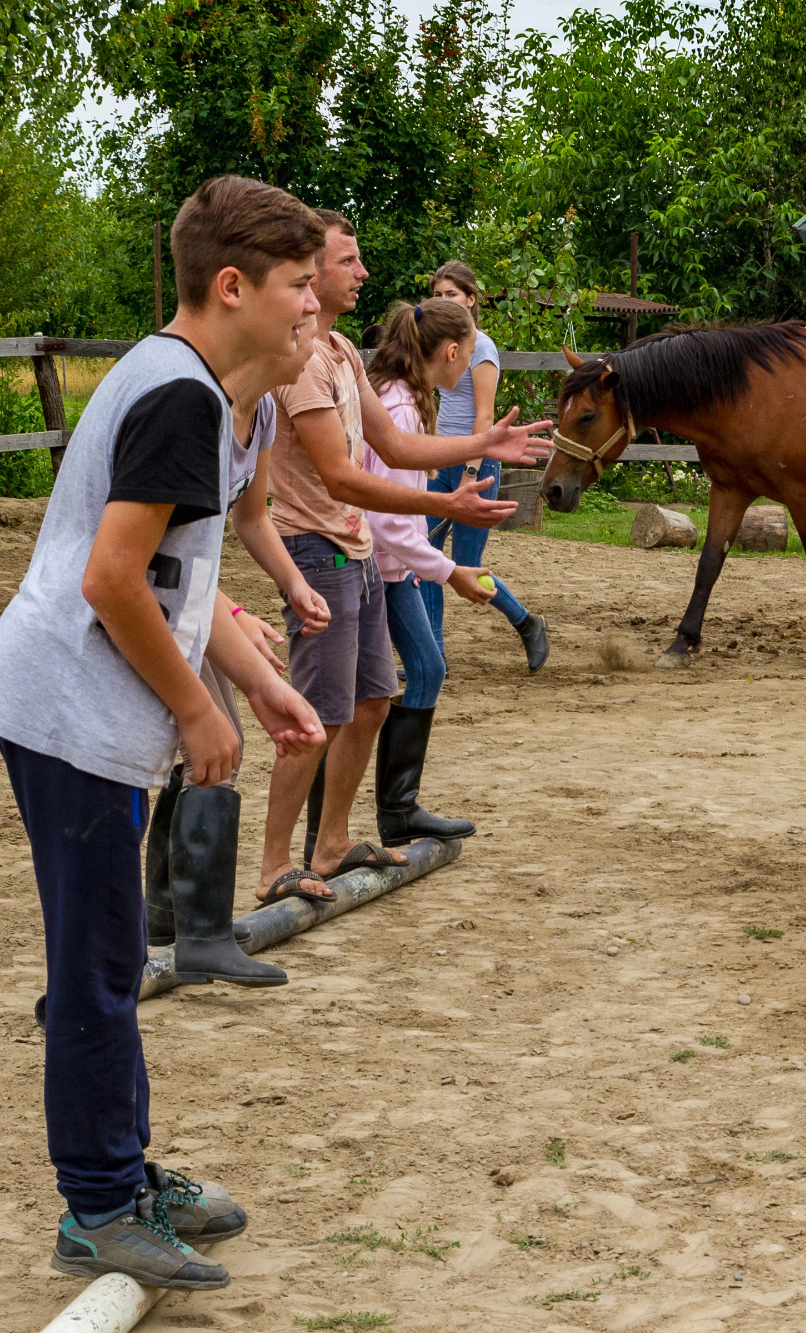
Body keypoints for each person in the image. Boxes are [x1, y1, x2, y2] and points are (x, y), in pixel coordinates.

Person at [0, 175, 330, 1290]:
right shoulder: (177, 396)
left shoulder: (224, 400)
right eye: (300, 286)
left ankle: (125, 1175)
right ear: (233, 287)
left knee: (115, 955)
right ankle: (94, 1204)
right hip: (69, 708)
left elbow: (175, 581)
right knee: (96, 964)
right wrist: (191, 705)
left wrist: (251, 682)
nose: (316, 307)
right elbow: (110, 575)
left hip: (94, 706)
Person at [260, 210, 549, 906]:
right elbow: (340, 476)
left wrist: (479, 448)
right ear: (310, 269)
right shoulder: (302, 360)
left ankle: (330, 843)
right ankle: (274, 865)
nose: (362, 273)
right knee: (319, 716)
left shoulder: (344, 353)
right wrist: (447, 511)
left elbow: (392, 446)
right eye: (347, 261)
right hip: (316, 545)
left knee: (372, 700)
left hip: (354, 547)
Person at [139, 304, 331, 988]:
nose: (314, 334)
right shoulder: (199, 409)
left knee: (213, 751)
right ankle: (185, 929)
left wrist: (284, 585)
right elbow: (148, 550)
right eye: (303, 316)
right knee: (199, 748)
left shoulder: (264, 418)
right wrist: (232, 608)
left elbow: (245, 519)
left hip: (188, 598)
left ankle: (178, 924)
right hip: (152, 600)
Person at [365, 298, 498, 846]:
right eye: (466, 356)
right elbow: (386, 519)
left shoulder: (408, 400)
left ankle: (399, 808)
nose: (467, 366)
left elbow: (404, 511)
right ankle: (393, 811)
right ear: (448, 352)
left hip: (393, 566)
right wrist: (448, 571)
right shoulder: (399, 407)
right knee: (398, 679)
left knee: (425, 667)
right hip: (378, 567)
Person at [422, 260, 549, 672]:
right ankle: (433, 650)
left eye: (452, 295)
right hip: (441, 463)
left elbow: (483, 416)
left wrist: (472, 472)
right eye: (438, 295)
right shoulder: (442, 346)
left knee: (465, 566)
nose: (444, 301)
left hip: (473, 468)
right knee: (425, 557)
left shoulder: (483, 348)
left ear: (471, 299)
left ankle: (527, 622)